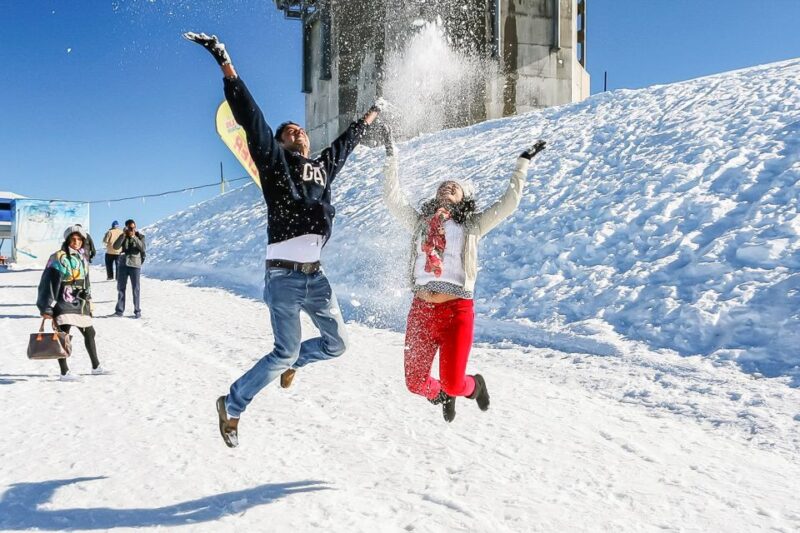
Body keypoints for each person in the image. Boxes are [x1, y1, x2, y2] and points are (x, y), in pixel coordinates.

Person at [184, 31, 381, 448]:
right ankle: (232, 404)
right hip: (284, 280)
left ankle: (296, 363)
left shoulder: (320, 169)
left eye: (301, 131)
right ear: (278, 142)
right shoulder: (274, 164)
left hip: (317, 278)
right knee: (282, 353)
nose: (299, 133)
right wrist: (224, 61)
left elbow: (343, 146)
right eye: (290, 131)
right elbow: (250, 116)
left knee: (337, 345)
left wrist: (368, 119)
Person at [382, 125, 546, 422]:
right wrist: (391, 155)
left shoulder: (472, 225)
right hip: (421, 310)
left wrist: (522, 163)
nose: (447, 187)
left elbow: (509, 204)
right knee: (415, 383)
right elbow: (393, 200)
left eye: (454, 186)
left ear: (463, 197)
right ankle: (442, 395)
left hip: (456, 311)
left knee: (456, 383)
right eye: (443, 185)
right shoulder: (421, 223)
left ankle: (474, 386)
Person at [37, 225, 109, 381]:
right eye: (73, 239)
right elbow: (47, 282)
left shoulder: (82, 257)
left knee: (90, 333)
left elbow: (86, 281)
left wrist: (88, 297)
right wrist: (46, 306)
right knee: (63, 336)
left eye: (79, 239)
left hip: (80, 303)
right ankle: (64, 372)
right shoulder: (58, 257)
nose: (76, 242)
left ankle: (95, 367)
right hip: (64, 300)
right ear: (68, 240)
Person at [113, 219, 145, 318]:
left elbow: (143, 248)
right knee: (121, 288)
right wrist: (123, 235)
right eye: (129, 227)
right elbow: (115, 246)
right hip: (123, 264)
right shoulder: (123, 236)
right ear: (126, 227)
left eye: (133, 227)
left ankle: (137, 311)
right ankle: (119, 310)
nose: (132, 229)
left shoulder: (140, 236)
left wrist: (134, 237)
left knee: (136, 289)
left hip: (135, 264)